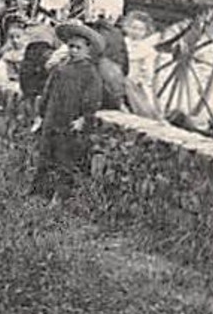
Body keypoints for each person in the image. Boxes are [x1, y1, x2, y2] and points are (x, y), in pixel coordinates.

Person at [31, 22, 104, 197]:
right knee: (45, 154)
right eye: (70, 47)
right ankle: (39, 191)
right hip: (52, 118)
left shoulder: (90, 73)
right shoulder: (61, 68)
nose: (73, 51)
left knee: (65, 158)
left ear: (88, 50)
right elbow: (47, 91)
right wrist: (41, 114)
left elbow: (93, 99)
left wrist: (84, 119)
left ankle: (62, 194)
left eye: (78, 48)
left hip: (69, 121)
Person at [121, 10, 163, 120]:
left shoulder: (146, 50)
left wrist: (143, 78)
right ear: (127, 28)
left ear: (146, 32)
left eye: (141, 29)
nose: (136, 32)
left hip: (135, 82)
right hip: (121, 78)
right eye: (134, 28)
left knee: (144, 104)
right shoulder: (122, 43)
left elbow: (149, 72)